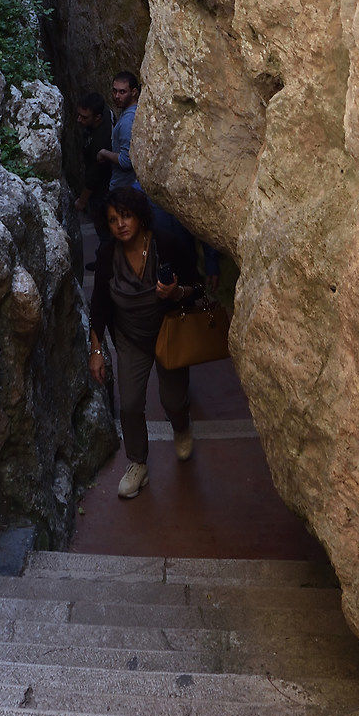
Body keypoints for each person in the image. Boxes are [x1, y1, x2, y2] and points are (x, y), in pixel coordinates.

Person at [88, 184, 197, 498]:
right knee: (132, 403)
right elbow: (99, 304)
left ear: (139, 217)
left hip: (167, 333)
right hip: (129, 337)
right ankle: (138, 463)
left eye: (126, 216)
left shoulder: (167, 244)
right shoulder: (108, 254)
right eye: (112, 220)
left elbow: (196, 287)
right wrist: (96, 348)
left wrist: (177, 293)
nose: (120, 224)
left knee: (173, 399)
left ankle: (181, 425)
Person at [96, 69, 140, 189]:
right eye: (114, 91)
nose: (116, 96)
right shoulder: (134, 112)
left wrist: (104, 153)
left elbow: (126, 161)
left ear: (134, 92)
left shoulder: (127, 121)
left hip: (124, 188)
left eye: (122, 92)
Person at [72, 90, 110, 215]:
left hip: (103, 188)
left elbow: (94, 176)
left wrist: (82, 201)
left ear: (97, 117)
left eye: (84, 117)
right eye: (79, 115)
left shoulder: (101, 141)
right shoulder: (104, 110)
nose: (79, 120)